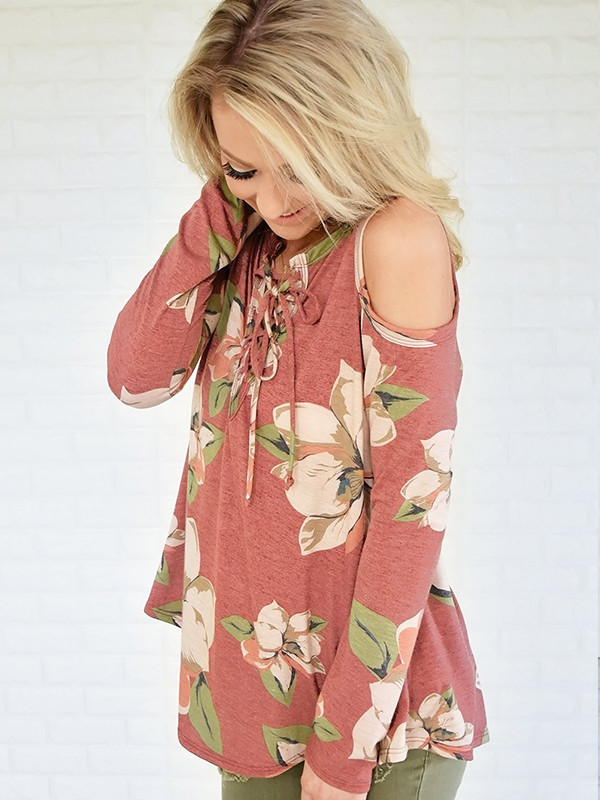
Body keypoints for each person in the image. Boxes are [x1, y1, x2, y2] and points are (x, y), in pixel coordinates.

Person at [106, 1, 491, 798]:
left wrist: (344, 747)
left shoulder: (395, 238)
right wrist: (225, 201)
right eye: (243, 168)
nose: (276, 200)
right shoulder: (247, 242)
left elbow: (412, 508)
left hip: (374, 718)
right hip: (253, 687)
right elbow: (136, 377)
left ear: (350, 130)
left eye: (297, 162)